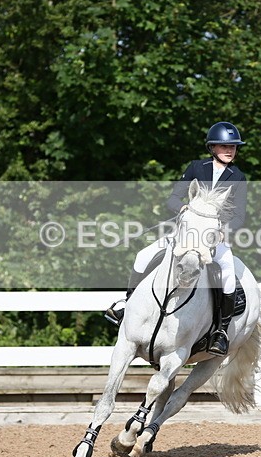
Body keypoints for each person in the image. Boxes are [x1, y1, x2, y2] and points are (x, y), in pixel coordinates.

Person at [105, 121, 248, 356]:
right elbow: (172, 199)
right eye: (224, 146)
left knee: (228, 273)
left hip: (214, 238)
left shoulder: (238, 177)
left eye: (233, 146)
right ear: (212, 147)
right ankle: (126, 306)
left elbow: (240, 215)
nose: (230, 150)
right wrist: (181, 208)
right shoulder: (195, 168)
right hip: (185, 233)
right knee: (143, 256)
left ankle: (220, 331)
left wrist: (225, 230)